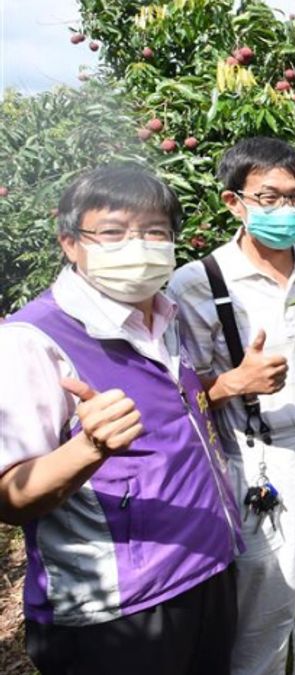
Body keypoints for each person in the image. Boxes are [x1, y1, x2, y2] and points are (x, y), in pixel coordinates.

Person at [0, 165, 241, 674]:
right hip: (119, 608)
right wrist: (88, 449)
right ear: (70, 243)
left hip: (204, 570)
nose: (139, 245)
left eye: (155, 232)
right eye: (112, 232)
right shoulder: (32, 340)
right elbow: (10, 496)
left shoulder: (165, 318)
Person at [167, 137, 295, 675]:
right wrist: (231, 383)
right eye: (269, 198)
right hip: (257, 459)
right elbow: (178, 398)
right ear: (235, 203)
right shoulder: (198, 283)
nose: (287, 210)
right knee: (264, 610)